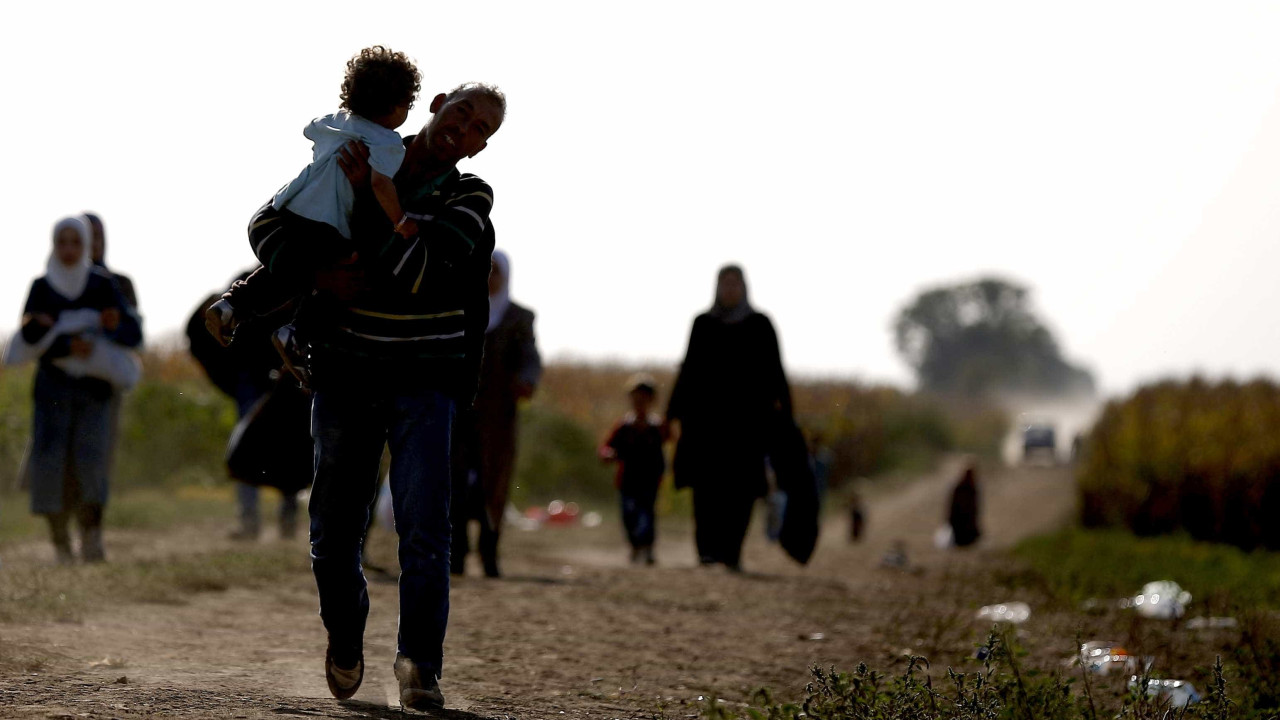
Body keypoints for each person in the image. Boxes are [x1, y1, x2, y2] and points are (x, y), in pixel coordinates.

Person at [214, 83, 504, 711]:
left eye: (481, 127)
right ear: (438, 104)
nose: (466, 127)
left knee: (426, 530)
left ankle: (419, 666)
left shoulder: (467, 196)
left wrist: (378, 200)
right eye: (462, 110)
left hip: (425, 381)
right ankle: (345, 638)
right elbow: (272, 220)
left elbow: (421, 276)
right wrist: (304, 275)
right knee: (333, 531)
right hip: (346, 371)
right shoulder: (358, 149)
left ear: (482, 145)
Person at [206, 46, 423, 341]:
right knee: (342, 278)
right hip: (328, 223)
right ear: (396, 105)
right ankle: (297, 334)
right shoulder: (387, 144)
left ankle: (232, 305)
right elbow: (379, 185)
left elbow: (311, 131)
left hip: (288, 209)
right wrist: (400, 220)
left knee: (289, 273)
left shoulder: (332, 123)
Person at [8, 216, 142, 562]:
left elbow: (132, 334)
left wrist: (109, 329)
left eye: (75, 242)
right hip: (53, 389)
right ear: (54, 244)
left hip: (94, 389)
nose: (68, 249)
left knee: (91, 462)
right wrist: (65, 345)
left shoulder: (101, 284)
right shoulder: (42, 286)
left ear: (85, 246)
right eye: (62, 242)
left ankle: (91, 537)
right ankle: (60, 543)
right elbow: (28, 341)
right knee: (52, 464)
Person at [666, 265, 793, 572]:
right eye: (725, 283)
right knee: (706, 488)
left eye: (735, 283)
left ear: (744, 287)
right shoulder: (703, 324)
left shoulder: (760, 325)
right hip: (705, 423)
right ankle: (706, 552)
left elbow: (776, 371)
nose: (730, 289)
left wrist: (787, 415)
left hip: (747, 424)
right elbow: (689, 369)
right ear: (717, 287)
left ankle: (732, 551)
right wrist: (671, 413)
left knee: (742, 489)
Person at [186, 271, 301, 540]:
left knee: (290, 448)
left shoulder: (296, 279)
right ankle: (249, 522)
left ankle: (288, 518)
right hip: (251, 382)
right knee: (245, 449)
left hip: (286, 382)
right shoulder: (245, 283)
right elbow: (209, 328)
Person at [451, 249, 542, 579]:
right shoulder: (460, 309)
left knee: (495, 486)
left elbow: (530, 358)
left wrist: (526, 381)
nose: (490, 278)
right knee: (454, 484)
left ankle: (490, 555)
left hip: (498, 419)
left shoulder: (519, 318)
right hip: (458, 414)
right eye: (485, 270)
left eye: (495, 272)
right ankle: (456, 555)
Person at [599, 374, 667, 565]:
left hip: (650, 479)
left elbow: (670, 437)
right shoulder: (624, 426)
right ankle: (635, 547)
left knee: (646, 513)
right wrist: (608, 454)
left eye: (644, 399)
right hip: (627, 480)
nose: (639, 403)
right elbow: (608, 446)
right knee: (629, 514)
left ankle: (647, 548)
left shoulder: (657, 426)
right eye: (636, 399)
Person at [948, 464, 981, 548]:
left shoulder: (973, 490)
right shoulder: (959, 489)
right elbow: (953, 508)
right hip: (959, 525)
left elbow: (975, 510)